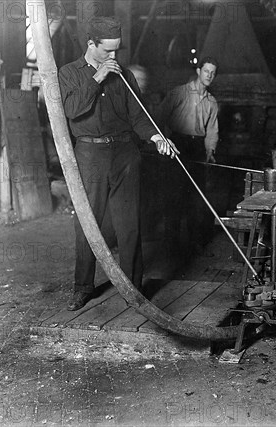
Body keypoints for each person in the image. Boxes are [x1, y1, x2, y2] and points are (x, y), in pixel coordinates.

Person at [59, 16, 178, 311]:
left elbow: (139, 116)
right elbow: (72, 111)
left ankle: (133, 288)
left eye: (117, 51)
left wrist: (156, 137)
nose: (113, 57)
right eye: (107, 51)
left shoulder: (124, 75)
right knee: (88, 222)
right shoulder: (69, 73)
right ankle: (83, 286)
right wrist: (97, 76)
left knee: (129, 224)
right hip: (89, 155)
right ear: (91, 44)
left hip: (125, 153)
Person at [157, 57, 219, 253]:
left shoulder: (211, 102)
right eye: (206, 71)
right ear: (199, 71)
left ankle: (193, 244)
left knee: (196, 197)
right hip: (177, 145)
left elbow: (212, 131)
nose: (209, 75)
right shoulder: (179, 92)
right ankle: (170, 244)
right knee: (174, 196)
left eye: (213, 73)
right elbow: (159, 117)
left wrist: (210, 151)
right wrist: (163, 140)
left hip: (198, 148)